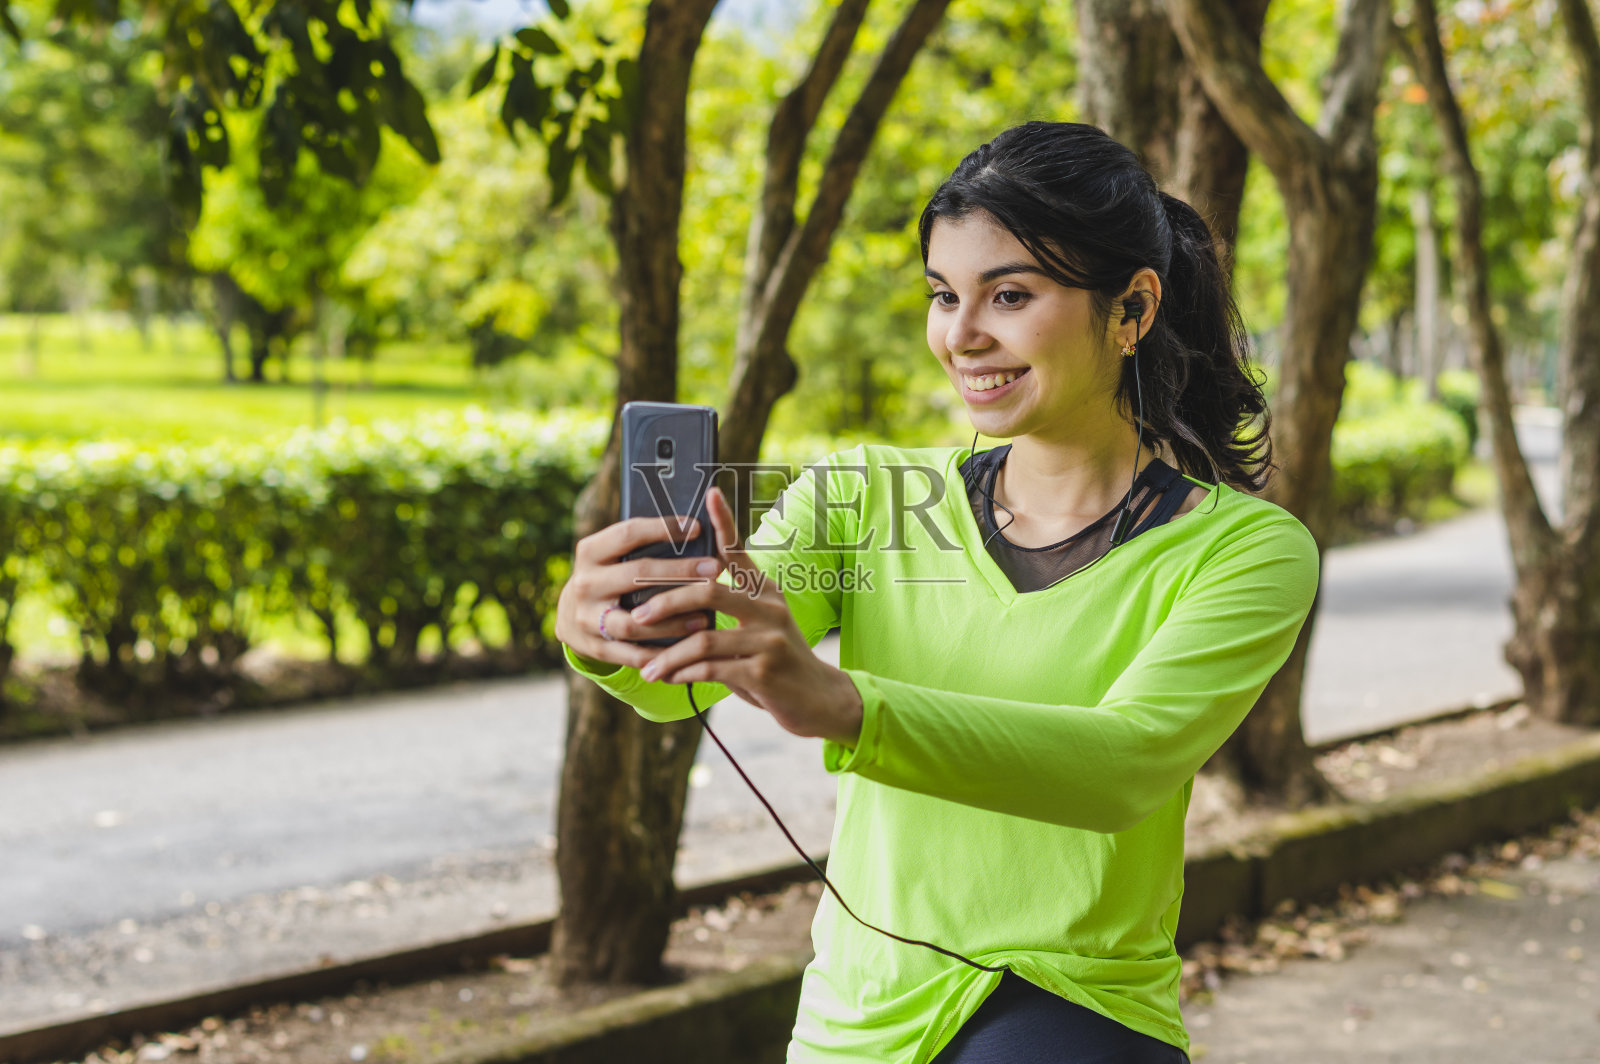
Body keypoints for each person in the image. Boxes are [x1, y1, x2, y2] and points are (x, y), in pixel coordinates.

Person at [554, 121, 1320, 1064]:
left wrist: (845, 704)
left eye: (1010, 294)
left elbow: (1125, 764)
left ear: (1131, 308)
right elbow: (689, 678)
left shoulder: (1242, 551)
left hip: (1072, 1001)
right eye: (943, 295)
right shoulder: (862, 495)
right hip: (860, 1017)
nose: (961, 336)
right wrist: (608, 632)